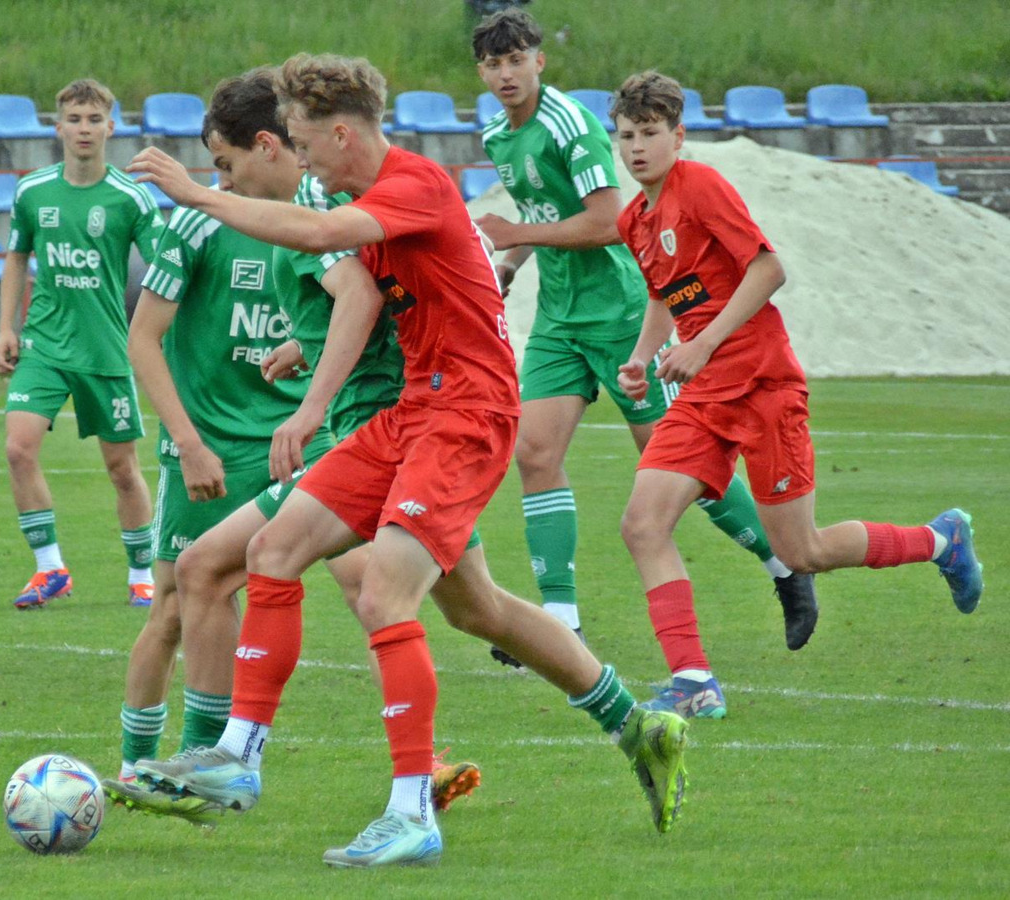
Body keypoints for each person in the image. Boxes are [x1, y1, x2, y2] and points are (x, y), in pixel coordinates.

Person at [124, 54, 690, 868]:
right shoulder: (368, 197)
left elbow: (324, 240)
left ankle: (411, 812)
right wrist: (305, 350)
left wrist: (197, 193)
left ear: (342, 134)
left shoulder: (412, 184)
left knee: (384, 593)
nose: (302, 159)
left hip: (466, 415)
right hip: (412, 411)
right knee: (284, 554)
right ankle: (239, 758)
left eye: (305, 144)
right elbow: (370, 292)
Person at [109, 68, 479, 816]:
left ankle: (407, 764)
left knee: (380, 587)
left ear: (268, 146)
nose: (220, 178)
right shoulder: (201, 227)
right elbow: (143, 336)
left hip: (323, 437)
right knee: (183, 597)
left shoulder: (322, 210)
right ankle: (163, 762)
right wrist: (189, 439)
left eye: (225, 163)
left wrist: (309, 396)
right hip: (222, 446)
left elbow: (362, 295)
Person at [471, 10, 817, 712]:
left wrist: (514, 231)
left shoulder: (571, 125)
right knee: (534, 452)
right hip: (559, 320)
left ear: (539, 61)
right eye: (493, 63)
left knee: (684, 466)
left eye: (517, 59)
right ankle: (560, 621)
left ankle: (783, 564)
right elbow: (546, 211)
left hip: (623, 314)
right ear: (481, 72)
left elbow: (607, 222)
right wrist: (511, 261)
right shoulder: (498, 136)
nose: (506, 74)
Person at [608, 70, 982, 714]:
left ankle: (940, 540)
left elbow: (768, 268)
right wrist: (642, 356)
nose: (636, 147)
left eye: (648, 133)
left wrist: (703, 344)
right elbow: (666, 296)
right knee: (642, 525)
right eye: (625, 135)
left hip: (763, 386)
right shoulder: (632, 220)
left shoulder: (700, 186)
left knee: (801, 551)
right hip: (703, 396)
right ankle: (694, 682)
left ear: (678, 136)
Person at [0, 79, 164, 610]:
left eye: (93, 120)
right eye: (74, 119)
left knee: (122, 470)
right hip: (44, 344)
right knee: (18, 448)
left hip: (105, 349)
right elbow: (16, 257)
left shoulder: (131, 197)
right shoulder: (33, 191)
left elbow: (166, 267)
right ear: (58, 126)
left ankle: (142, 575)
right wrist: (6, 328)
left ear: (110, 127)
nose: (84, 129)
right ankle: (50, 568)